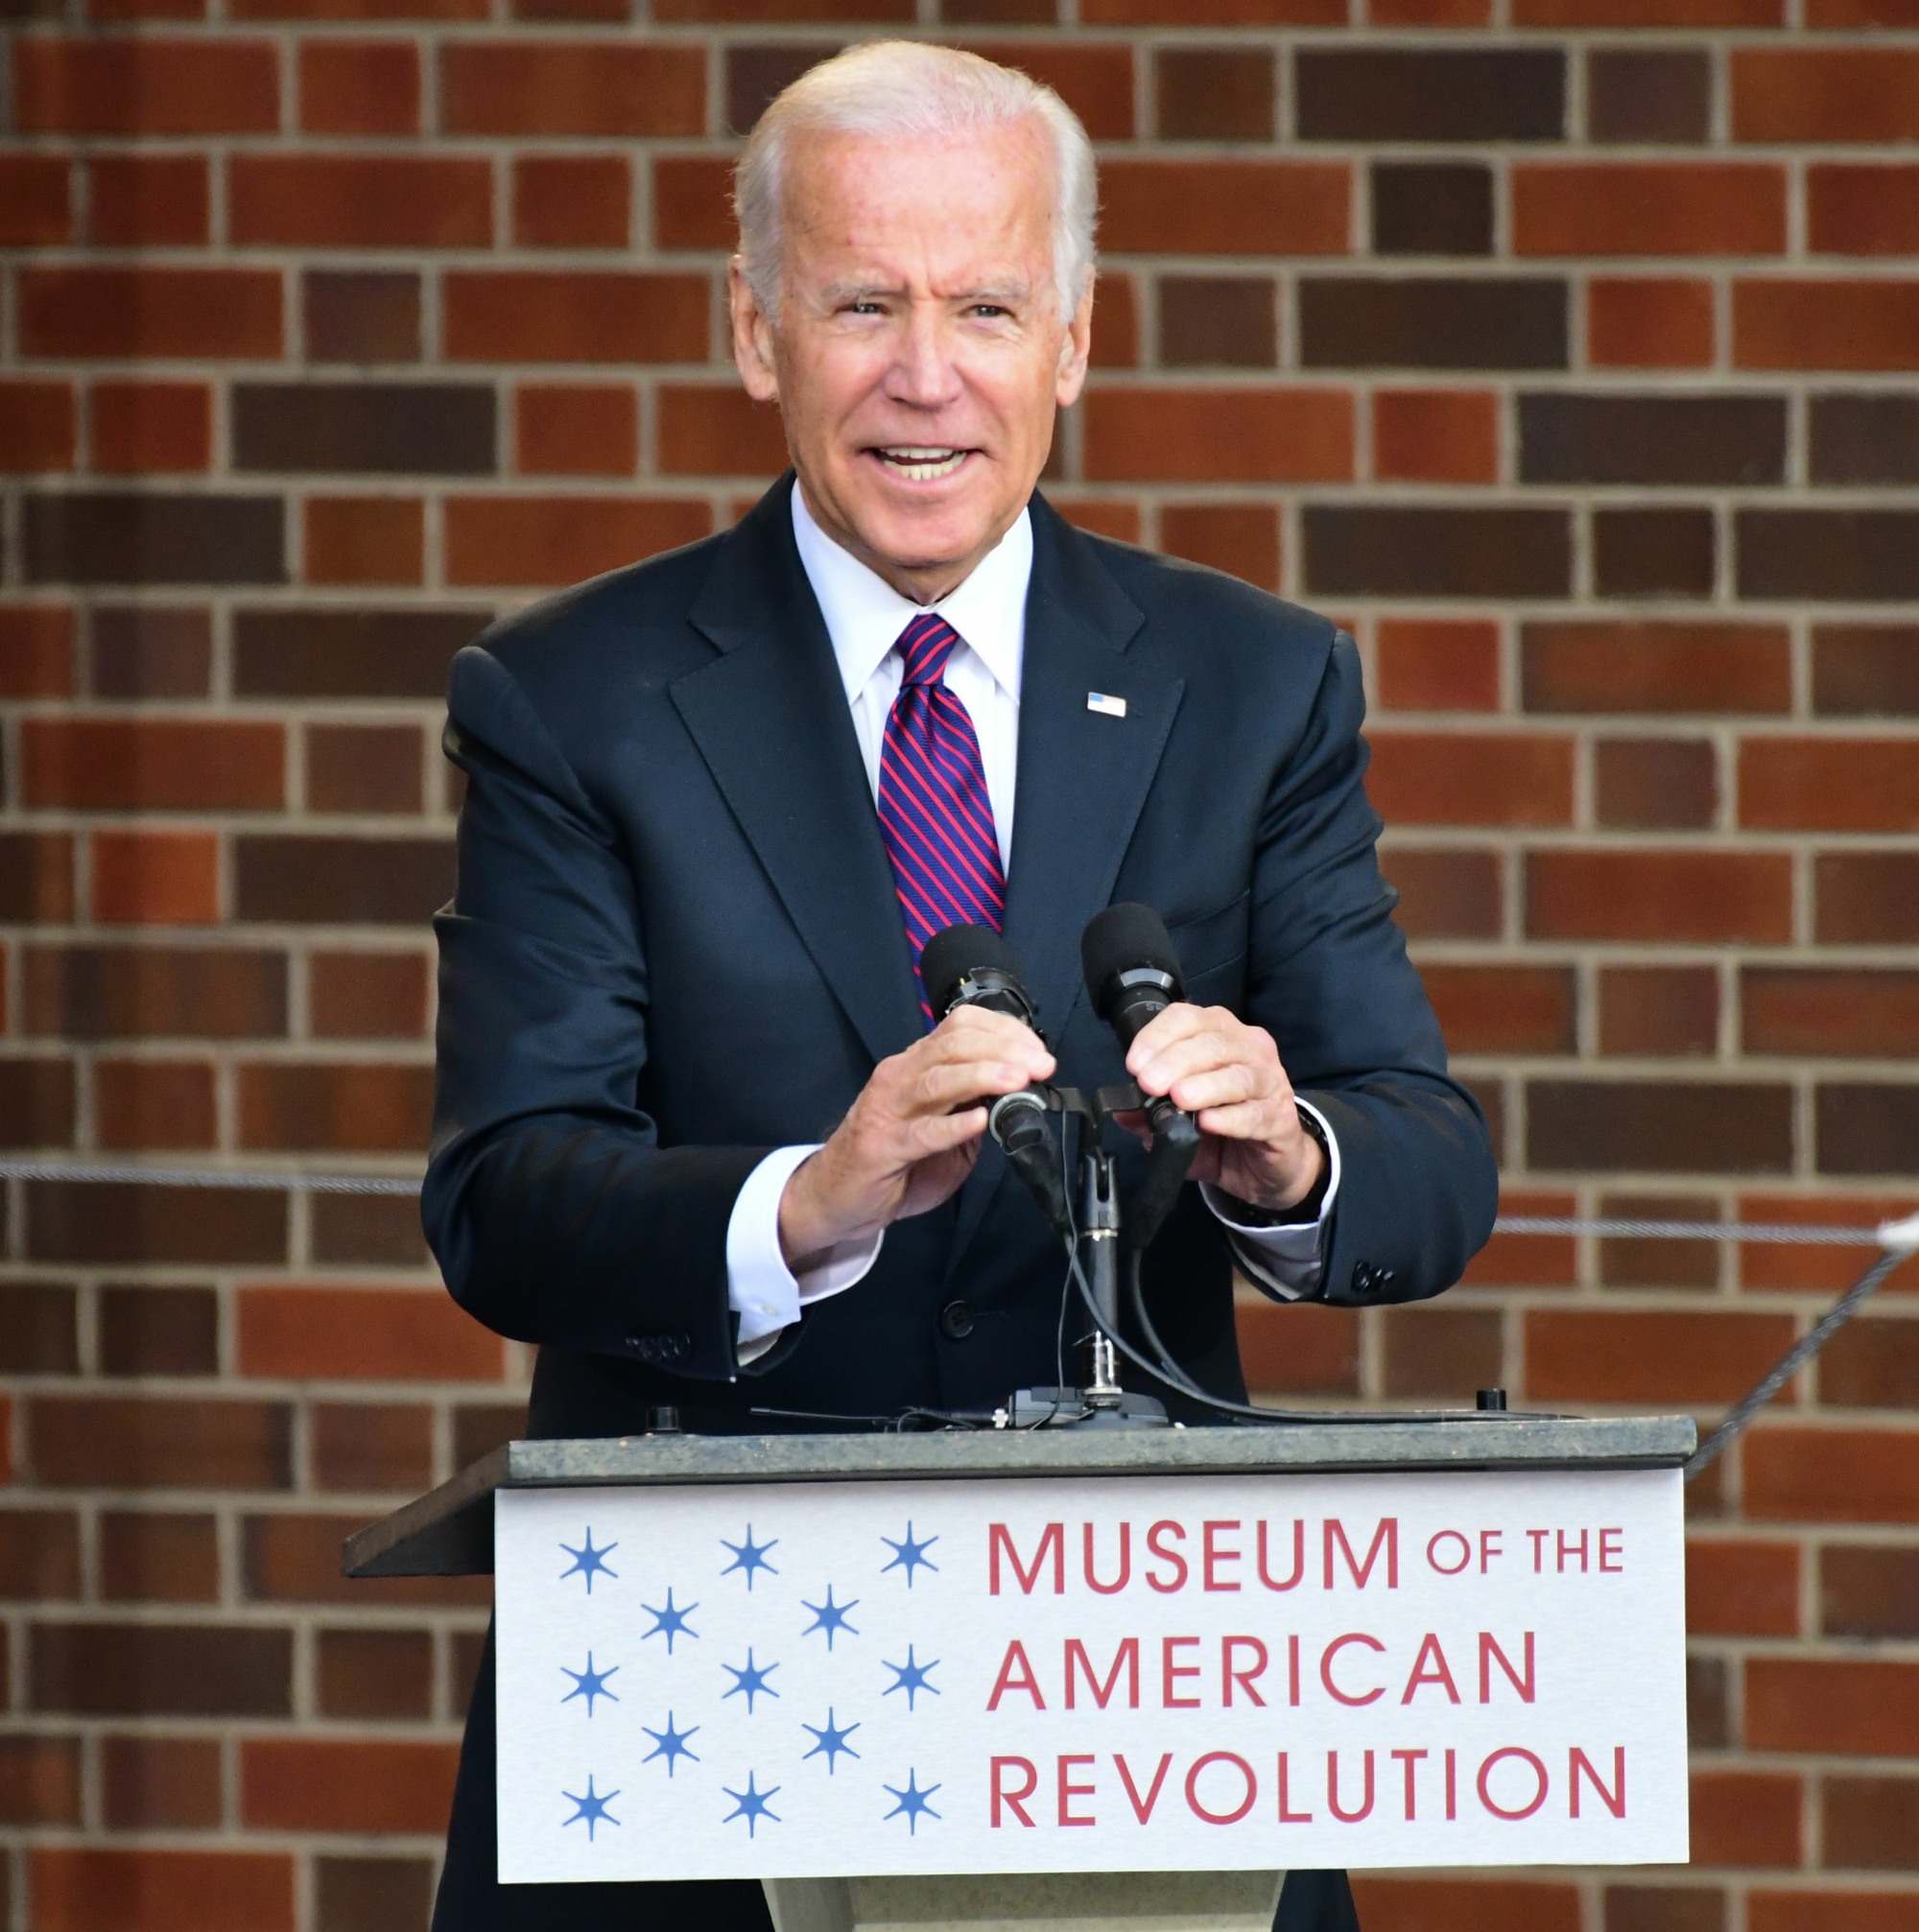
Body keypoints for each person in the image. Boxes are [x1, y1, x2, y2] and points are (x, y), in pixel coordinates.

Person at [424, 40, 1498, 1932]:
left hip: (1147, 1726)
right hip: (697, 1722)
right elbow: (507, 1193)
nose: (927, 374)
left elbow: (1423, 1157)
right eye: (862, 303)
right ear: (755, 330)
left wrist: (1286, 1158)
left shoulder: (1252, 685)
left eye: (984, 305)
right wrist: (799, 1205)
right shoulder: (570, 702)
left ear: (1071, 341)